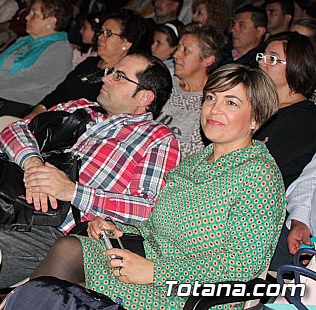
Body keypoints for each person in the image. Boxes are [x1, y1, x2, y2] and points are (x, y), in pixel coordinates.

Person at [25, 64, 284, 310]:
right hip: (149, 265)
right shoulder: (194, 162)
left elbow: (241, 267)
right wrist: (116, 229)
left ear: (255, 118)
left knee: (61, 287)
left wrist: (155, 272)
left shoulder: (258, 175)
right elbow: (154, 228)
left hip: (189, 294)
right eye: (211, 98)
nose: (214, 110)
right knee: (70, 249)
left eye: (231, 103)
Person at [0, 53, 180, 288]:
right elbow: (14, 129)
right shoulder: (81, 107)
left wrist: (71, 191)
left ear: (144, 97)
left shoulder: (156, 138)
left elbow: (147, 208)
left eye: (119, 77)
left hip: (55, 231)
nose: (106, 79)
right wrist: (33, 165)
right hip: (8, 200)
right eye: (110, 72)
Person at [28, 10, 145, 118]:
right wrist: (38, 111)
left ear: (126, 43)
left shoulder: (120, 79)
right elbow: (58, 94)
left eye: (108, 33)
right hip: (48, 120)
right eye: (101, 32)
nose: (99, 37)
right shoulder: (89, 63)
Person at [0, 0, 73, 122]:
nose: (27, 17)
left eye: (34, 14)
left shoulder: (60, 49)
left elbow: (31, 79)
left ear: (52, 21)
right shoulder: (24, 41)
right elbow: (0, 67)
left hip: (18, 103)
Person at [255, 31, 316, 188]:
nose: (262, 62)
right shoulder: (261, 106)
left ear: (297, 66)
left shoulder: (304, 119)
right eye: (262, 56)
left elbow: (260, 169)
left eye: (272, 58)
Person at [158, 23, 225, 158]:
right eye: (178, 48)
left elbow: (191, 156)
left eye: (185, 51)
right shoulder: (164, 79)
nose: (176, 55)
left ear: (207, 60)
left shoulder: (211, 104)